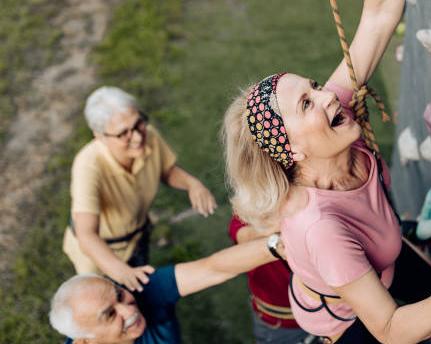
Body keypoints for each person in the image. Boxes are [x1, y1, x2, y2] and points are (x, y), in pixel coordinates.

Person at [222, 0, 431, 342]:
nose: (327, 95)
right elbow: (389, 329)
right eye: (306, 103)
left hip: (379, 257)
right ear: (292, 150)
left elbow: (378, 17)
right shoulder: (321, 229)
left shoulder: (331, 124)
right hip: (340, 318)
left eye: (313, 86)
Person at [63, 86, 217, 292]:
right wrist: (120, 271)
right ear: (99, 136)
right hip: (101, 254)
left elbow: (166, 171)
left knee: (141, 295)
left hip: (137, 237)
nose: (137, 137)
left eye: (138, 124)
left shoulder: (149, 136)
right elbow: (87, 235)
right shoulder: (87, 165)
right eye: (123, 134)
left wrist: (192, 184)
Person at [50, 234, 280, 344]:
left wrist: (277, 245)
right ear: (84, 342)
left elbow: (213, 268)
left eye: (119, 294)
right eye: (110, 315)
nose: (129, 311)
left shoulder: (142, 290)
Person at [229, 215, 315, 344]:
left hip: (329, 313)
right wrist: (285, 225)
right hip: (280, 325)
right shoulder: (247, 210)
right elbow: (243, 236)